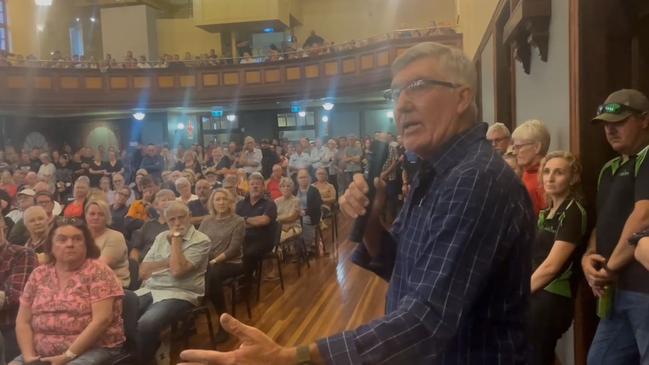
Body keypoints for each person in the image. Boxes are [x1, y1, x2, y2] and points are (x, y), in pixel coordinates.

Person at [178, 41, 535, 364]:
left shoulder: (476, 179)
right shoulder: (436, 173)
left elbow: (427, 320)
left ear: (462, 97)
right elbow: (405, 268)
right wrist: (372, 221)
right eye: (395, 93)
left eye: (418, 86)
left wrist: (289, 358)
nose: (402, 104)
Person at [582, 89, 649, 364]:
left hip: (644, 290)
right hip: (614, 291)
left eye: (620, 122)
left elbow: (643, 217)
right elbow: (603, 222)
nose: (610, 130)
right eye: (606, 124)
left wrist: (609, 269)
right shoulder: (608, 168)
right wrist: (589, 257)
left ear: (644, 120)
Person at [11, 220, 124, 364]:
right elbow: (22, 321)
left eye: (77, 239)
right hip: (40, 353)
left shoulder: (99, 271)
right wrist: (28, 357)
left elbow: (102, 321)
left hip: (92, 348)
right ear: (51, 246)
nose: (70, 244)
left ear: (86, 244)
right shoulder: (38, 274)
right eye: (62, 239)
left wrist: (67, 356)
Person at [528, 151, 586, 364]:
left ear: (573, 178)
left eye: (559, 173)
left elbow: (552, 266)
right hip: (536, 293)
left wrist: (518, 292)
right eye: (547, 172)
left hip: (552, 298)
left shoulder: (573, 212)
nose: (550, 178)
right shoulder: (547, 212)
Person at [136, 201, 210, 363]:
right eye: (172, 220)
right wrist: (170, 261)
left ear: (190, 217)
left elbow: (177, 272)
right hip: (151, 288)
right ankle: (146, 350)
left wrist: (176, 239)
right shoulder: (161, 237)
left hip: (181, 292)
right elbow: (143, 271)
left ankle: (143, 361)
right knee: (119, 311)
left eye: (181, 218)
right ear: (166, 221)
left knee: (146, 323)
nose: (177, 223)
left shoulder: (201, 240)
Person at [198, 189, 245, 343]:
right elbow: (199, 242)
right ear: (212, 202)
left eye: (224, 199)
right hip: (208, 263)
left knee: (213, 274)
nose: (221, 202)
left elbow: (234, 249)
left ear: (230, 202)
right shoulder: (206, 220)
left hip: (231, 262)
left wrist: (214, 261)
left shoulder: (238, 221)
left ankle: (223, 322)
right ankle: (191, 316)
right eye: (217, 199)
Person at [0, 217, 37, 361]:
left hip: (10, 326)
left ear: (3, 227)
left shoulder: (22, 254)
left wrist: (4, 297)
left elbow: (15, 296)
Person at [235, 172, 277, 269]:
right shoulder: (241, 204)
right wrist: (253, 223)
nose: (255, 187)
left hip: (263, 240)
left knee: (247, 253)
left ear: (263, 187)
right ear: (248, 187)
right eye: (252, 184)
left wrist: (244, 219)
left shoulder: (269, 204)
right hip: (243, 238)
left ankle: (248, 281)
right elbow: (234, 222)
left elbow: (264, 220)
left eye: (258, 184)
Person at [85, 199, 130, 288]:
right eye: (92, 214)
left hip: (113, 284)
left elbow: (101, 266)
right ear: (85, 216)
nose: (96, 217)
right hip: (85, 281)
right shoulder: (81, 236)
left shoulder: (116, 237)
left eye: (101, 214)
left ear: (107, 217)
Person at [512, 120, 550, 215]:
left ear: (537, 147)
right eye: (514, 147)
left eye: (519, 147)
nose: (514, 152)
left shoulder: (546, 178)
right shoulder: (527, 172)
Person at [129, 189, 176, 263]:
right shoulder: (148, 225)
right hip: (144, 263)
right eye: (163, 200)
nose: (167, 202)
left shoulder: (178, 225)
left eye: (170, 200)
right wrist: (135, 265)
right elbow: (135, 249)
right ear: (156, 206)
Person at [296, 169, 322, 254]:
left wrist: (304, 212)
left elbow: (316, 206)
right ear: (297, 179)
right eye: (300, 177)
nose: (303, 179)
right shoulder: (295, 190)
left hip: (311, 215)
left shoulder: (314, 190)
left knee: (304, 221)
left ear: (309, 178)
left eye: (305, 177)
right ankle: (295, 247)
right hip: (297, 214)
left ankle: (306, 247)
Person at [274, 177, 301, 243]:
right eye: (283, 186)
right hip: (279, 227)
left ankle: (276, 252)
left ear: (292, 188)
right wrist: (280, 225)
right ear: (280, 188)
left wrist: (277, 220)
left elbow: (292, 217)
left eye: (288, 186)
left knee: (279, 237)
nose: (286, 188)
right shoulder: (276, 201)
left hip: (293, 226)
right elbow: (273, 216)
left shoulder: (296, 201)